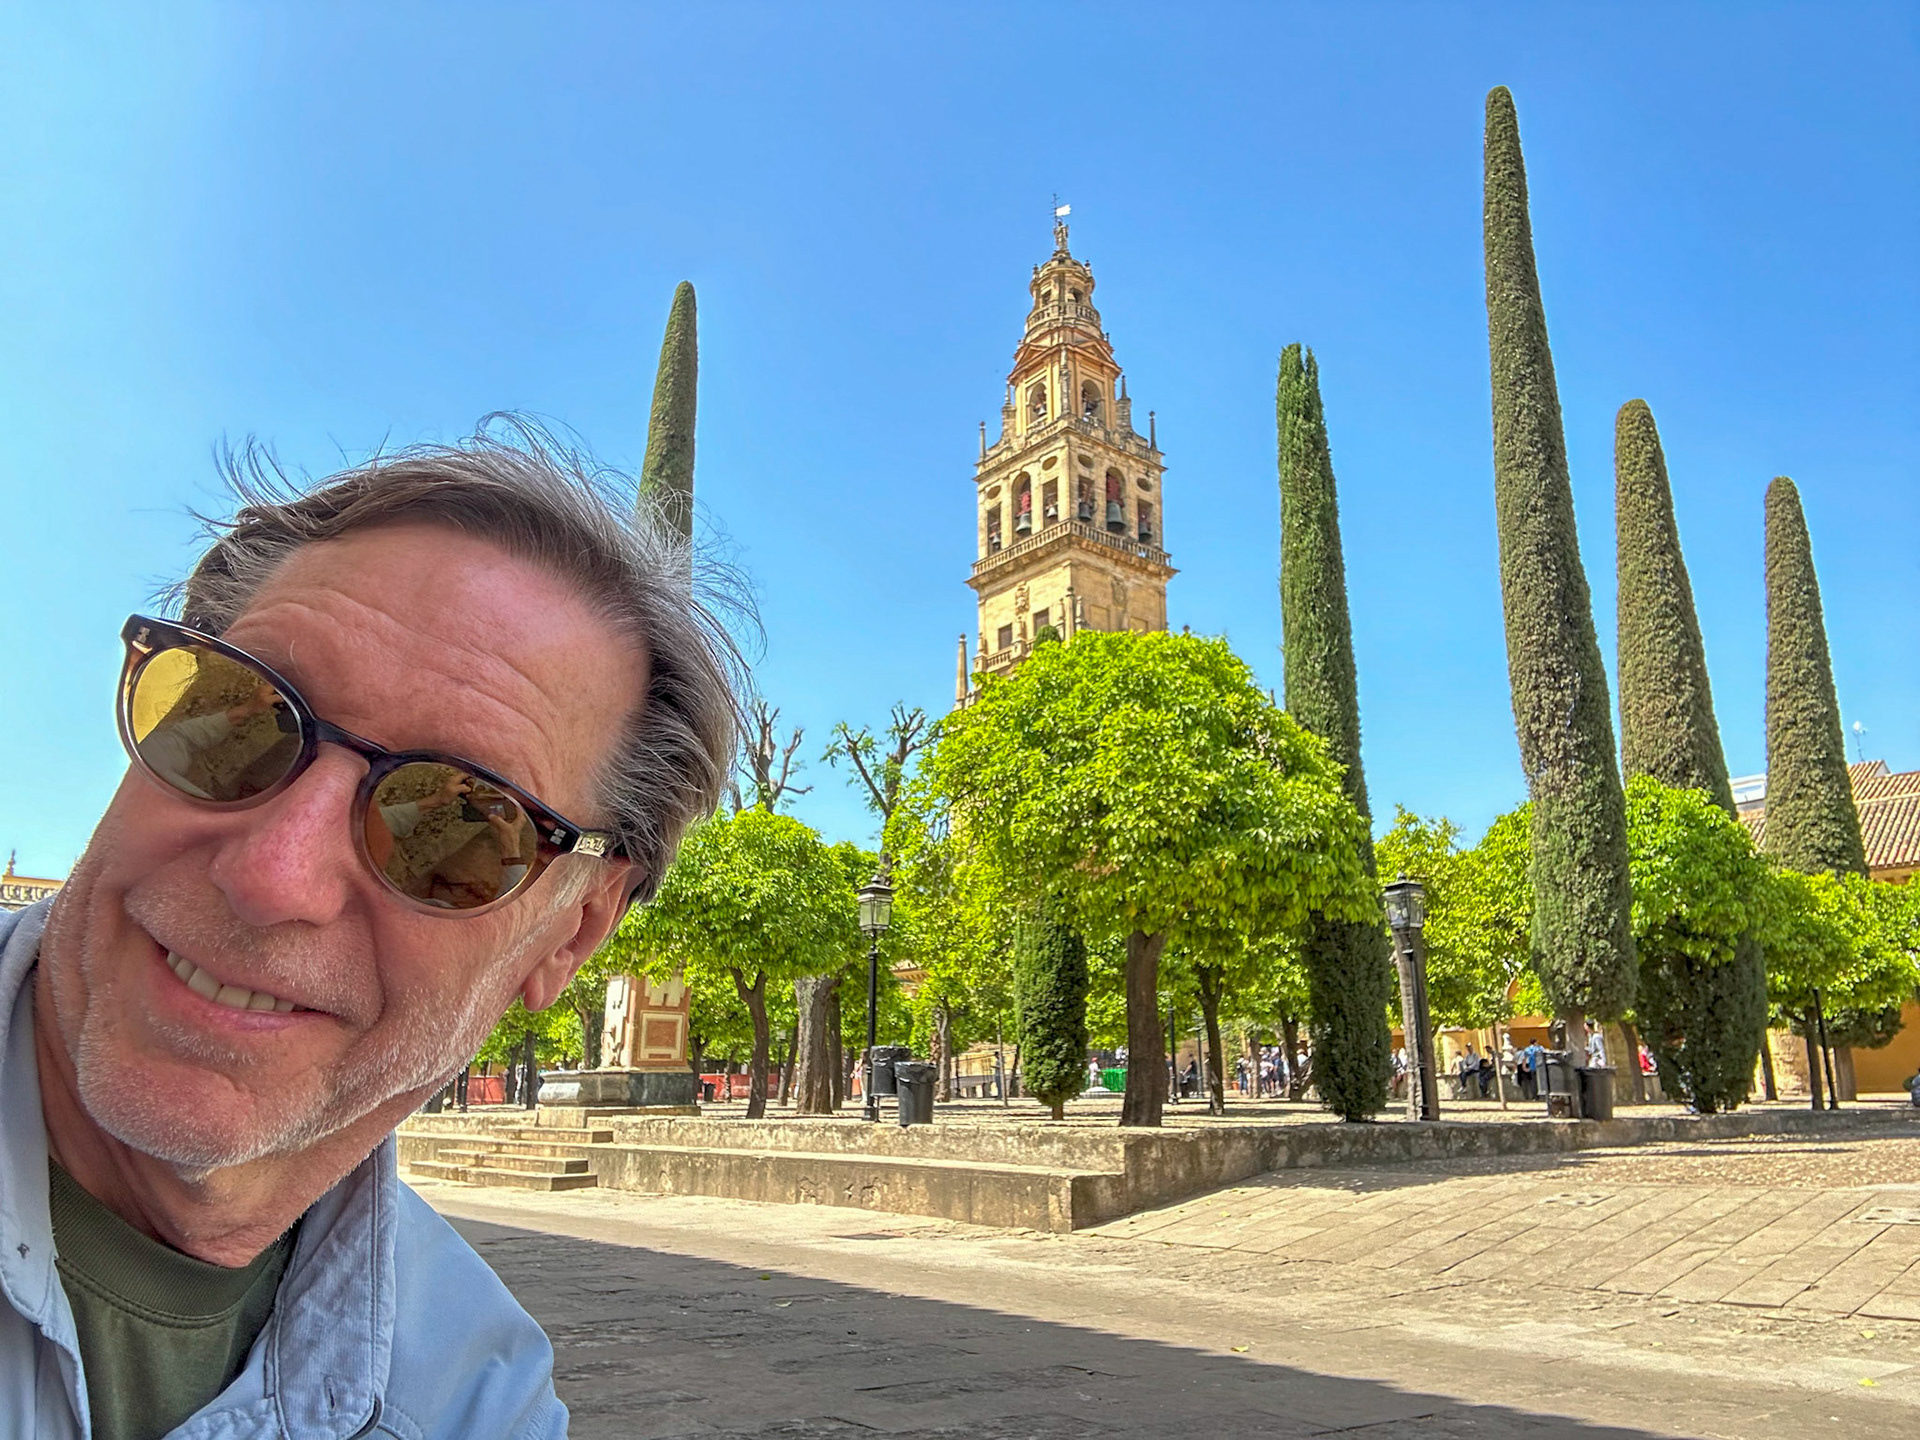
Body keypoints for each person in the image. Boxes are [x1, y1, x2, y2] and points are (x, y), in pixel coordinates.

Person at [0, 426, 741, 1438]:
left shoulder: (475, 1398)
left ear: (568, 935)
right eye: (235, 718)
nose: (273, 878)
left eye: (459, 826)